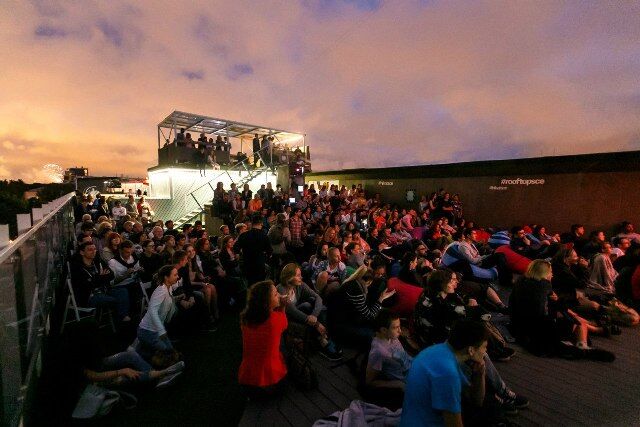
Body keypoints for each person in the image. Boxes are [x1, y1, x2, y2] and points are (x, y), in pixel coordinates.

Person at [510, 259, 616, 361]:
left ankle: (597, 330)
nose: (552, 275)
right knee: (578, 323)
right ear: (544, 273)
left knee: (571, 316)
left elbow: (514, 303)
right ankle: (583, 345)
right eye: (550, 272)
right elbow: (542, 311)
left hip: (519, 323)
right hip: (539, 328)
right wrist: (557, 311)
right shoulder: (544, 285)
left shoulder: (521, 281)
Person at [401, 320, 488, 427]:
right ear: (471, 350)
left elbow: (476, 400)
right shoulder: (448, 373)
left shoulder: (438, 350)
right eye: (484, 347)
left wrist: (480, 374)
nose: (485, 352)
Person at [277, 263, 342, 361]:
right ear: (289, 278)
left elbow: (318, 297)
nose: (301, 277)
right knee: (307, 306)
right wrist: (316, 323)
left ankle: (322, 338)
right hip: (286, 318)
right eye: (298, 275)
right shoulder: (281, 289)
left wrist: (314, 316)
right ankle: (322, 339)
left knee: (313, 303)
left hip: (300, 313)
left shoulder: (299, 285)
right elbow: (292, 311)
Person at [238, 280, 289, 393]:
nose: (279, 295)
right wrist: (283, 306)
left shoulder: (246, 318)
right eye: (275, 294)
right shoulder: (275, 320)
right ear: (266, 302)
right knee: (283, 345)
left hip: (246, 378)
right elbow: (285, 325)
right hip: (270, 382)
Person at [70, 241, 130, 323]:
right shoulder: (78, 267)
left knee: (122, 291)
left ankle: (122, 317)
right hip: (89, 296)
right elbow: (88, 285)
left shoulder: (98, 262)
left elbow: (111, 275)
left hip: (103, 290)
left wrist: (99, 279)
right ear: (82, 252)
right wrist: (101, 277)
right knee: (115, 300)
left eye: (94, 249)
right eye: (90, 250)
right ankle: (118, 320)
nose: (93, 251)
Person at [364, 310, 413, 410]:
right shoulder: (379, 351)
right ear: (383, 330)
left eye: (399, 326)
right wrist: (398, 385)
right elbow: (369, 381)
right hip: (409, 381)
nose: (400, 331)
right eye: (396, 328)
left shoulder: (391, 336)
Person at [134, 265, 181, 360]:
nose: (178, 277)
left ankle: (142, 350)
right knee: (167, 354)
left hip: (156, 330)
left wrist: (177, 298)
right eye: (175, 275)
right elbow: (152, 310)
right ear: (166, 277)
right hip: (148, 331)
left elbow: (166, 302)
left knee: (171, 352)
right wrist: (161, 330)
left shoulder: (169, 288)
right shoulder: (161, 290)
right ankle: (138, 353)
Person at [234, 214, 272, 285]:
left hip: (247, 263)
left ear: (252, 223)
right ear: (261, 223)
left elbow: (236, 248)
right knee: (260, 284)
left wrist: (238, 255)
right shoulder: (264, 235)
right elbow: (269, 251)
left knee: (250, 283)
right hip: (259, 264)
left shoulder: (243, 235)